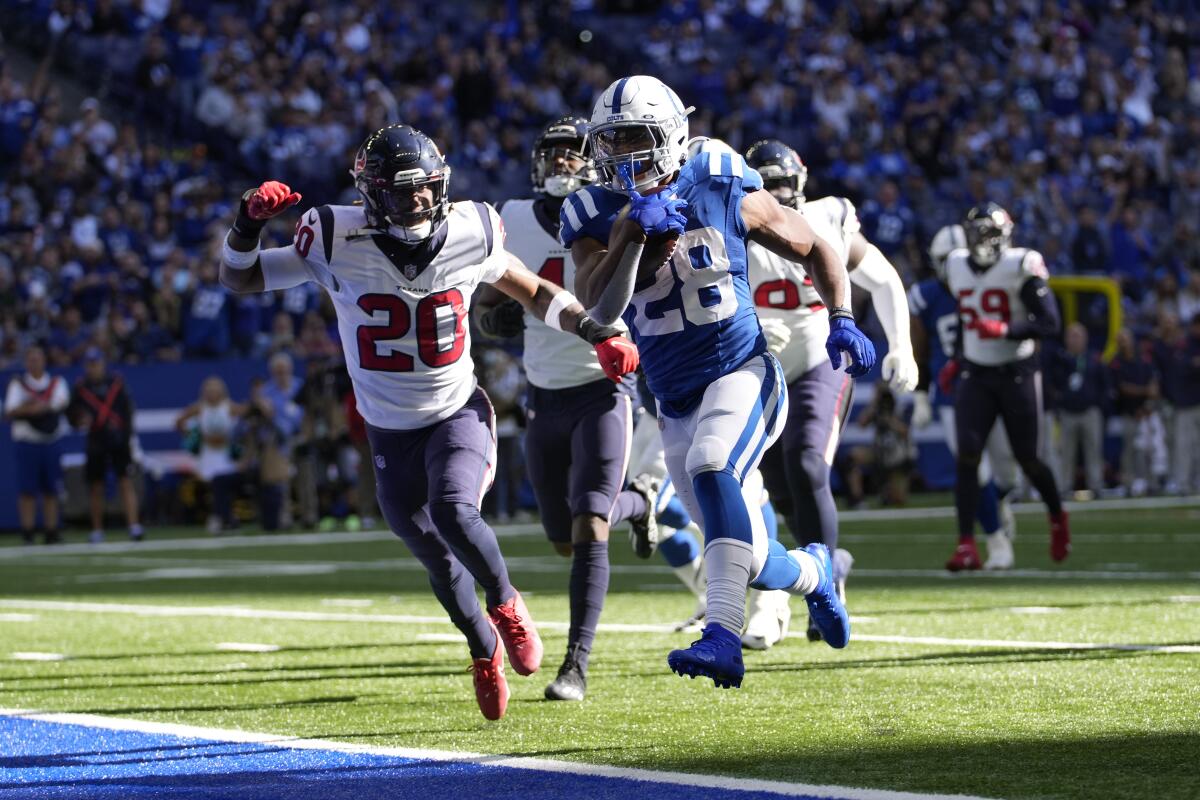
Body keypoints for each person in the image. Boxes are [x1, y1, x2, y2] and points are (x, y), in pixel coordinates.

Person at [217, 124, 639, 721]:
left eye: (426, 188)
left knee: (452, 509)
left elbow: (535, 291)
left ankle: (507, 602)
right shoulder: (334, 236)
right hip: (388, 429)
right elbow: (240, 278)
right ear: (371, 193)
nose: (416, 201)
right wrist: (246, 226)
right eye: (401, 191)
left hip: (455, 411)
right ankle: (482, 648)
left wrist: (596, 330)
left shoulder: (473, 228)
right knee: (436, 560)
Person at [562, 75, 876, 689]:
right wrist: (630, 236)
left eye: (637, 138)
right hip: (674, 396)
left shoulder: (716, 174)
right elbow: (597, 312)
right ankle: (815, 572)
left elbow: (817, 246)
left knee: (712, 468)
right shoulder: (594, 211)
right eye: (613, 141)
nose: (623, 156)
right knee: (752, 556)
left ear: (673, 137)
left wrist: (842, 316)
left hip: (743, 369)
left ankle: (723, 635)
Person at [475, 117, 659, 702]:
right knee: (561, 535)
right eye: (552, 154)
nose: (561, 164)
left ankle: (576, 664)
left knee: (588, 525)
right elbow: (487, 295)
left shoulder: (617, 210)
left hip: (602, 388)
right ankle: (644, 501)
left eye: (573, 154)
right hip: (543, 393)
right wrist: (489, 315)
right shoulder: (510, 216)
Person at [740, 137, 919, 648]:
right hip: (761, 363)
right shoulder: (735, 226)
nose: (776, 191)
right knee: (775, 482)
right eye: (766, 183)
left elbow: (883, 280)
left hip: (821, 353)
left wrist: (901, 347)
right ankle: (825, 563)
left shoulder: (830, 217)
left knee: (807, 465)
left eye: (782, 181)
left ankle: (829, 588)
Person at [940, 203, 1069, 570]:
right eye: (977, 234)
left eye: (990, 234)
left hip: (1017, 371)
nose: (983, 242)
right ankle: (966, 543)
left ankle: (1058, 516)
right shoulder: (956, 264)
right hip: (977, 372)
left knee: (1028, 459)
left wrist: (1005, 330)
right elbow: (967, 319)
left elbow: (1049, 323)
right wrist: (959, 359)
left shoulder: (1021, 264)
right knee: (967, 457)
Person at [910, 224, 1019, 569]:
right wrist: (921, 395)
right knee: (977, 470)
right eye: (945, 259)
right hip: (952, 394)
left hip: (993, 383)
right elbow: (920, 350)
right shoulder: (926, 295)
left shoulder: (993, 283)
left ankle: (998, 502)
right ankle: (997, 541)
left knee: (1007, 474)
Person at [68, 348, 144, 543]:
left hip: (118, 439)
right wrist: (78, 421)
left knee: (125, 481)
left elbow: (128, 412)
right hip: (95, 441)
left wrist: (126, 437)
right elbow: (71, 415)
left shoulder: (116, 383)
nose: (93, 368)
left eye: (96, 363)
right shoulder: (81, 387)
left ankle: (134, 526)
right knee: (95, 485)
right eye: (90, 364)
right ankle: (97, 529)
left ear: (103, 363)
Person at [4, 345, 69, 545]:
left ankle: (51, 530)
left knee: (51, 489)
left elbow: (60, 403)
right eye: (31, 359)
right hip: (28, 442)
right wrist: (32, 408)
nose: (35, 363)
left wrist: (34, 407)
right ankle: (28, 531)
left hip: (50, 441)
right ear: (26, 363)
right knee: (27, 490)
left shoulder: (56, 382)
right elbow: (10, 411)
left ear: (44, 361)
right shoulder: (18, 384)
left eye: (38, 359)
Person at [176, 376, 245, 534]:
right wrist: (192, 435)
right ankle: (219, 516)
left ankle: (224, 516)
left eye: (215, 390)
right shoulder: (199, 408)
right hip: (207, 454)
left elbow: (245, 420)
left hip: (224, 454)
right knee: (211, 486)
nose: (212, 394)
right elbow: (180, 421)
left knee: (223, 485)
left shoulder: (230, 407)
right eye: (209, 391)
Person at [1050, 323, 1109, 497]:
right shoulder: (1060, 359)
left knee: (1094, 450)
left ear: (1085, 338)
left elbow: (1104, 384)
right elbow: (1054, 383)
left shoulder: (1094, 358)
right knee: (1066, 452)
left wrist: (1100, 406)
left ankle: (1096, 486)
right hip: (1067, 412)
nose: (1075, 340)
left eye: (1078, 336)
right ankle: (1064, 487)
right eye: (1071, 336)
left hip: (1090, 411)